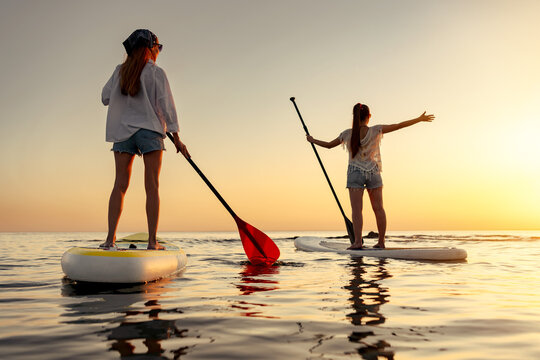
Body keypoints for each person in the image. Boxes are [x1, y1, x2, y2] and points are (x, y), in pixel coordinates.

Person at [100, 29, 189, 250]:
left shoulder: (119, 71)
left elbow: (104, 98)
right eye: (157, 48)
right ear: (150, 48)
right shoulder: (156, 73)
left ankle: (109, 241)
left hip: (123, 133)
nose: (158, 52)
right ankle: (152, 242)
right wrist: (177, 138)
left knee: (119, 186)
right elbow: (167, 106)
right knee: (152, 187)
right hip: (150, 131)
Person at [307, 103, 434, 249]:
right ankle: (381, 242)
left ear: (355, 117)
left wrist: (313, 140)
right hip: (373, 172)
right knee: (379, 208)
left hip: (355, 173)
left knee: (356, 211)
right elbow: (399, 125)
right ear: (368, 116)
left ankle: (357, 242)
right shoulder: (376, 130)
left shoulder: (347, 133)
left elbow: (329, 145)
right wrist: (419, 119)